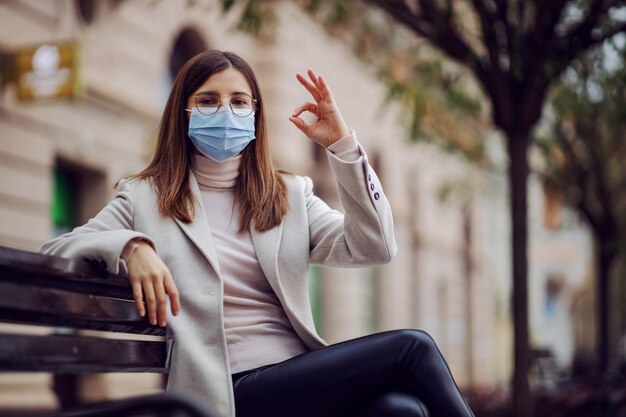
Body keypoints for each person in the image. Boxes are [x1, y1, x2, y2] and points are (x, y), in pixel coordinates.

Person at [40, 50, 474, 417]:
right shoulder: (144, 198)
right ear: (183, 112)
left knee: (401, 410)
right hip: (225, 390)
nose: (225, 112)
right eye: (208, 100)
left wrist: (342, 147)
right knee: (411, 348)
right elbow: (58, 246)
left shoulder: (289, 194)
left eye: (239, 101)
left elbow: (375, 247)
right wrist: (131, 246)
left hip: (299, 376)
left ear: (255, 114)